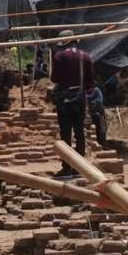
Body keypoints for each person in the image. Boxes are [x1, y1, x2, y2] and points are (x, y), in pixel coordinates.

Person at [48, 31, 95, 176]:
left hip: (64, 101)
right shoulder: (86, 57)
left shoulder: (59, 56)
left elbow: (54, 78)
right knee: (79, 132)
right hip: (79, 100)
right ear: (75, 41)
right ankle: (80, 168)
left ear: (64, 43)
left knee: (65, 134)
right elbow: (90, 83)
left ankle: (67, 167)